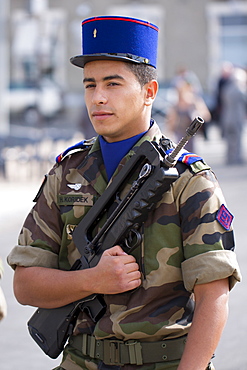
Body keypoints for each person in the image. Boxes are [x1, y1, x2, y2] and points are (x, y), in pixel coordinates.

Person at [7, 16, 241, 370]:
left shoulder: (188, 180)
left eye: (113, 84)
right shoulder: (66, 172)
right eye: (90, 85)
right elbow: (25, 285)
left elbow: (213, 296)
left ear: (149, 92)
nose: (98, 98)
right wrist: (92, 279)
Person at [166, 78, 211, 152]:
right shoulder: (176, 105)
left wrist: (197, 115)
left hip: (192, 135)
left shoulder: (195, 102)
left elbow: (206, 116)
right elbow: (170, 122)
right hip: (179, 135)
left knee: (192, 155)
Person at [219, 67, 247, 165]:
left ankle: (229, 157)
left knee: (229, 138)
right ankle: (237, 158)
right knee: (238, 138)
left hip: (227, 116)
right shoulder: (241, 89)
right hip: (238, 116)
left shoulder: (226, 88)